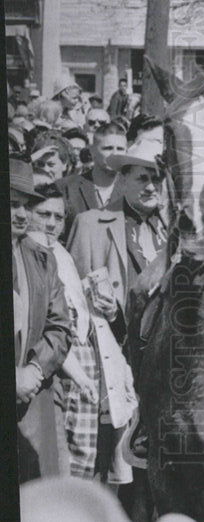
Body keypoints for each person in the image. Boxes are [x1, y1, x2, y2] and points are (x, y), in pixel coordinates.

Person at [27, 184, 137, 483]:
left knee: (87, 460)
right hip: (57, 368)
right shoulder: (30, 251)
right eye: (43, 214)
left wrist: (108, 307)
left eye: (58, 217)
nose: (51, 223)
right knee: (61, 464)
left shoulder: (60, 251)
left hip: (86, 364)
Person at [10, 159, 73, 482]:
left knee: (42, 502)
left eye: (26, 206)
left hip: (34, 402)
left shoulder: (41, 258)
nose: (21, 214)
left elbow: (60, 326)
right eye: (11, 204)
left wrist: (34, 369)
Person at [67, 140, 168, 333]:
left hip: (163, 345)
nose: (150, 187)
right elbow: (74, 298)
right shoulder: (90, 225)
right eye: (142, 179)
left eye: (156, 179)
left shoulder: (174, 230)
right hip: (115, 343)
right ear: (123, 180)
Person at [56, 122, 127, 234]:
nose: (114, 154)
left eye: (120, 149)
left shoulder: (132, 190)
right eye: (108, 148)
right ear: (92, 151)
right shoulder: (66, 188)